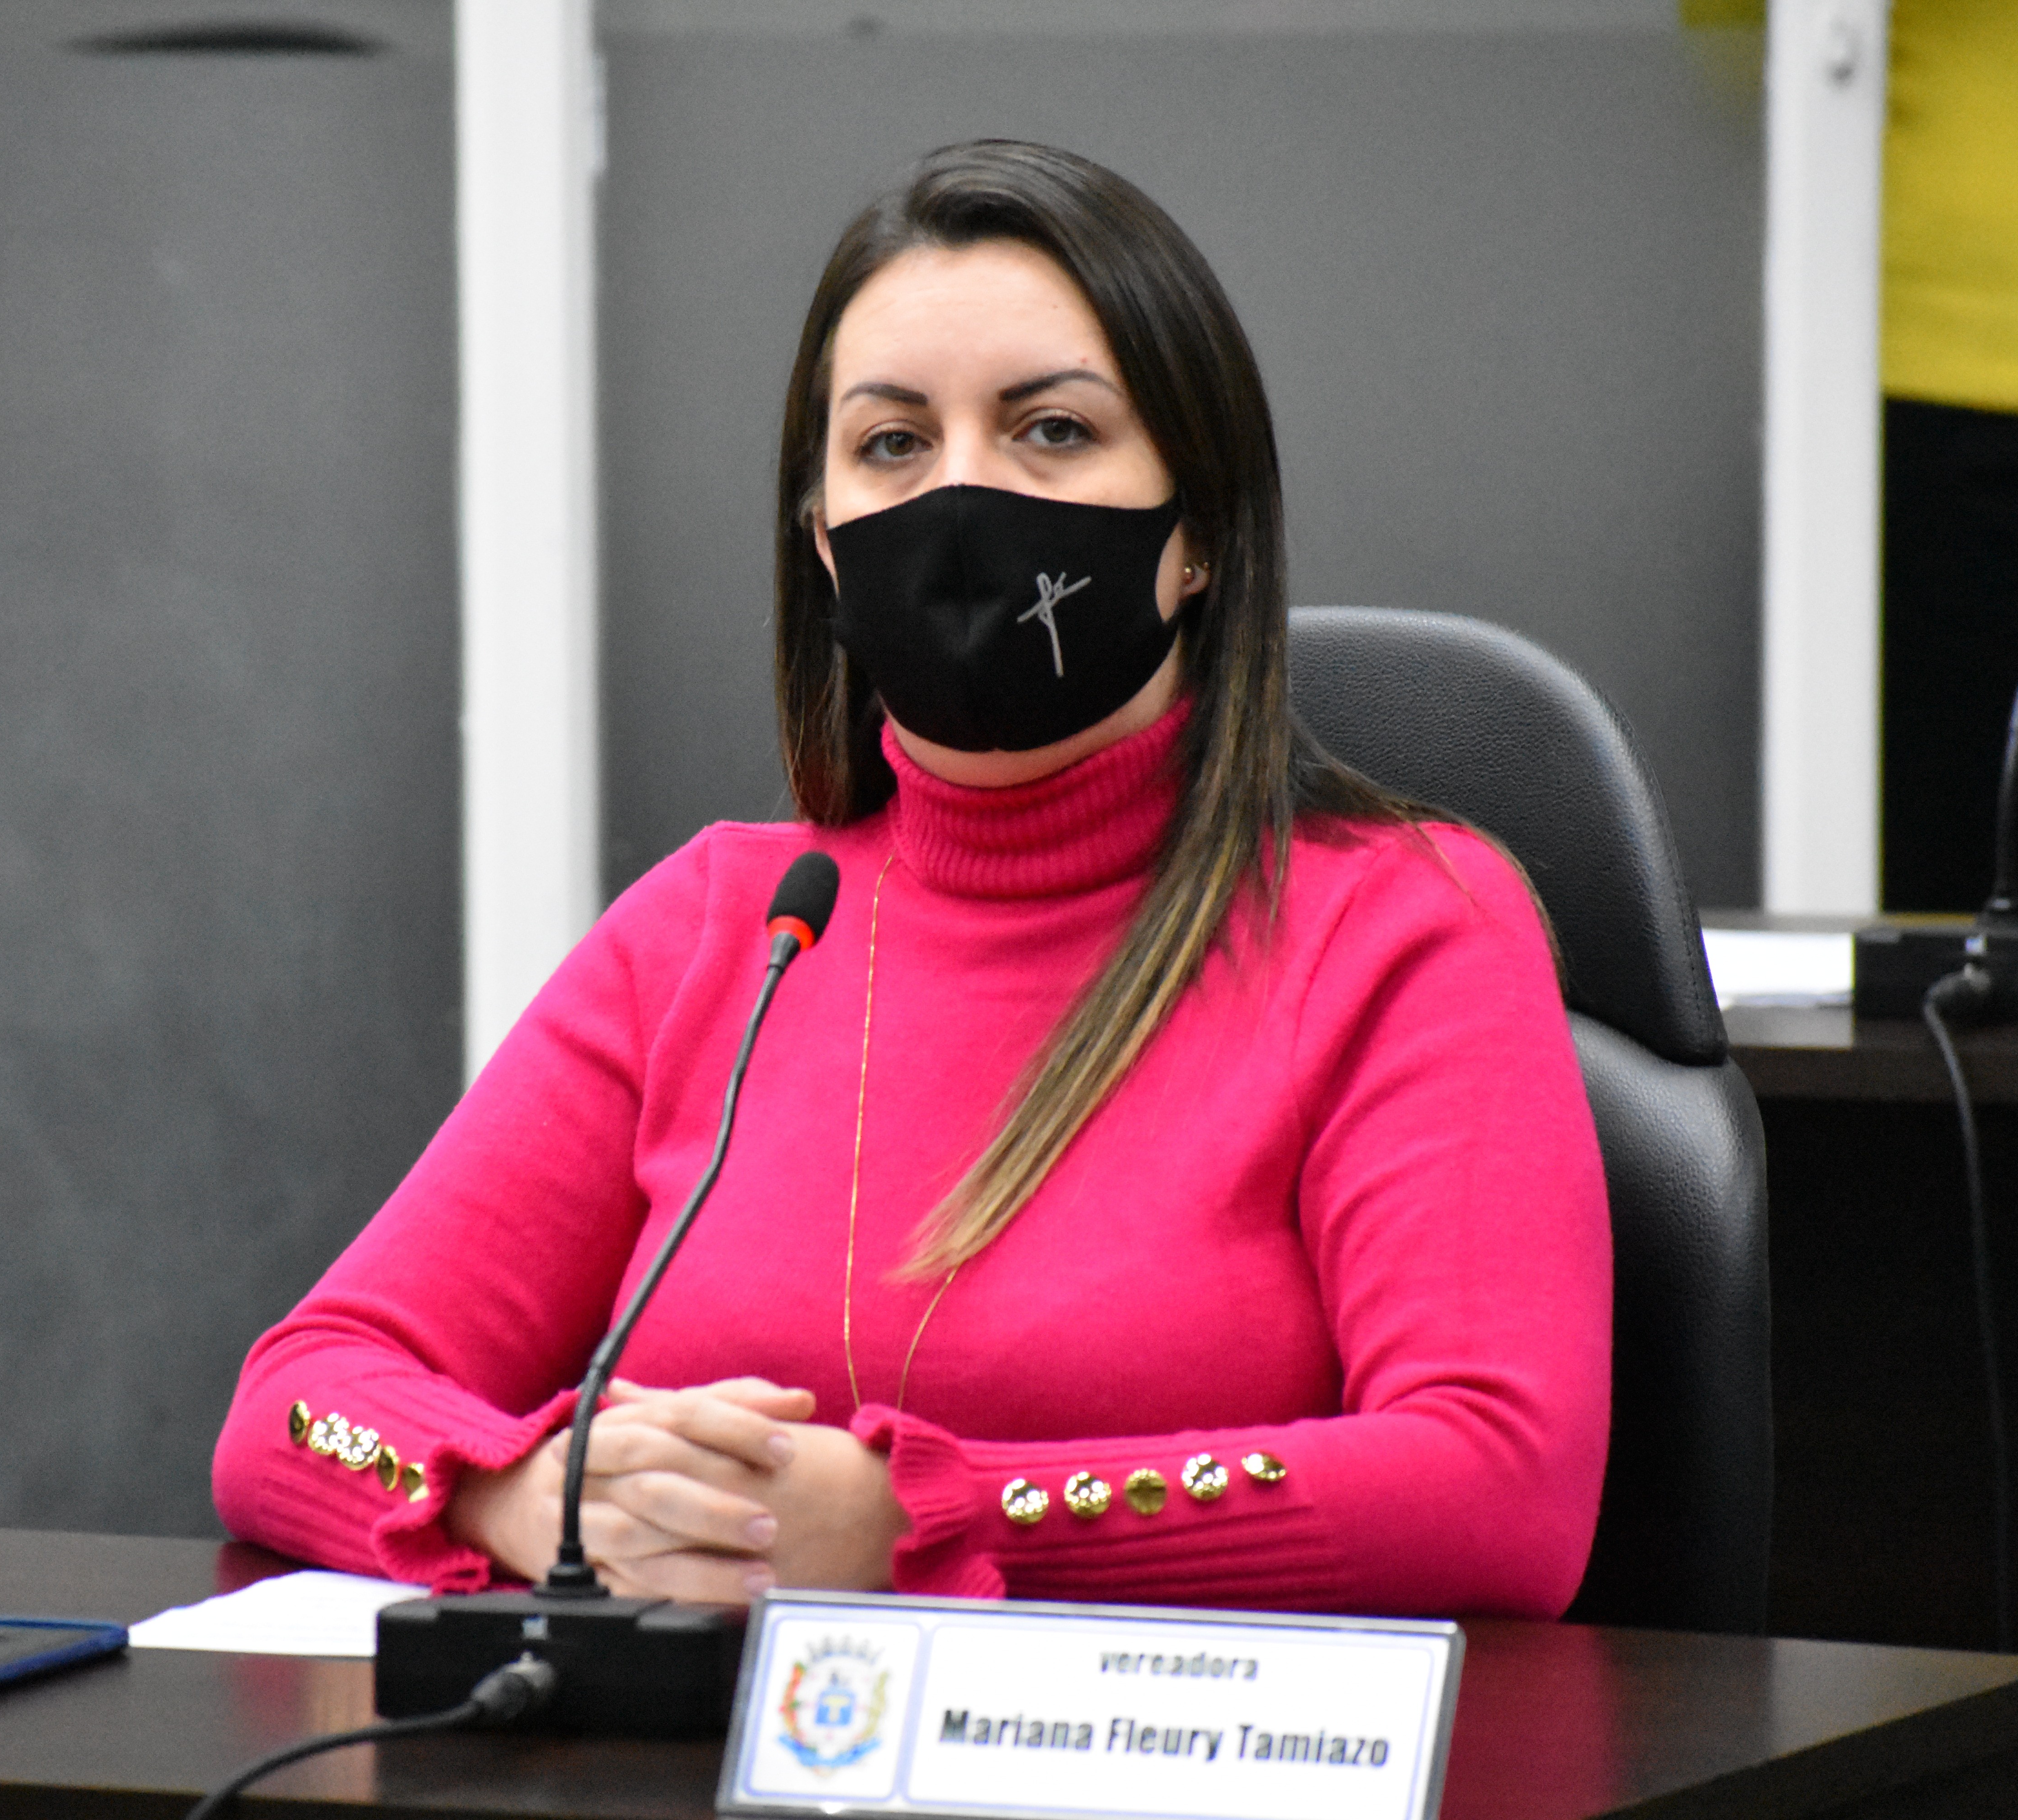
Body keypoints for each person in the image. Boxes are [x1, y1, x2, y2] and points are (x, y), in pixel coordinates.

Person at [212, 140, 1610, 1619]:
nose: (963, 502)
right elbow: (297, 1402)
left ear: (1199, 531)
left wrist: (916, 1528)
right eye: (892, 444)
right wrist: (532, 1494)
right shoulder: (727, 931)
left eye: (1052, 431)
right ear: (823, 544)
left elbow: (1493, 1485)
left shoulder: (1404, 926)